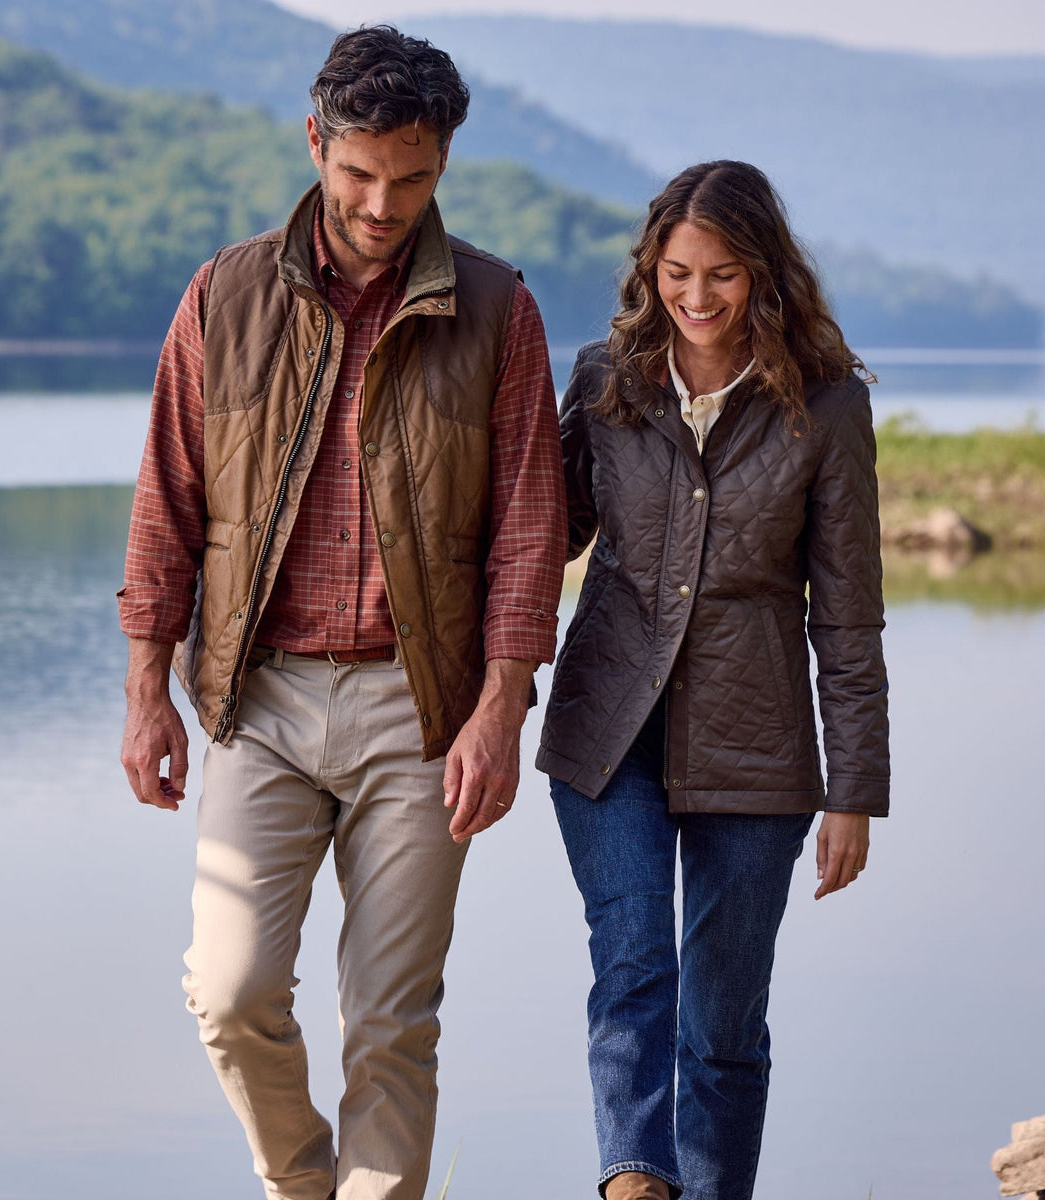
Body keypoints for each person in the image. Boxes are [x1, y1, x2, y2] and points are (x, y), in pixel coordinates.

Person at [116, 26, 566, 1200]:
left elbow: (528, 534)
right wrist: (145, 689)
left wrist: (499, 709)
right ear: (315, 142)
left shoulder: (499, 311)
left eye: (411, 178)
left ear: (442, 162)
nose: (381, 204)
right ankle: (303, 1183)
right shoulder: (223, 295)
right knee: (229, 992)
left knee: (391, 1020)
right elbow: (168, 501)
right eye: (360, 172)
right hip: (257, 699)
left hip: (422, 711)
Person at [537, 160, 890, 1200]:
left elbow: (848, 618)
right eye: (677, 272)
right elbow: (540, 541)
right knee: (635, 966)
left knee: (723, 1027)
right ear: (650, 269)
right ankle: (635, 1181)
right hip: (607, 731)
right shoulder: (605, 380)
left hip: (759, 748)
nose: (697, 296)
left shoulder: (827, 408)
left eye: (723, 274)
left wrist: (855, 791)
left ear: (765, 273)